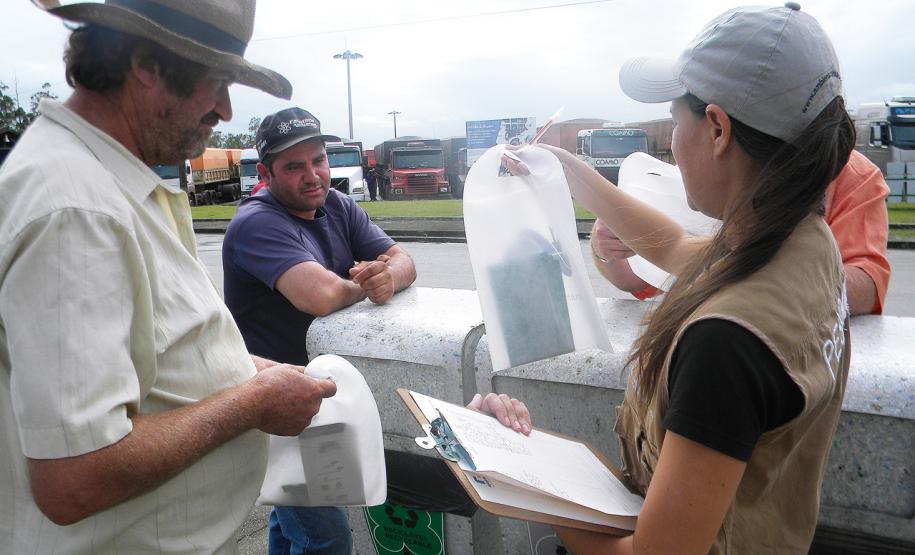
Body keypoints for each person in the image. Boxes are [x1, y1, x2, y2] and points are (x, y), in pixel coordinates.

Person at [503, 3, 854, 553]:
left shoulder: (726, 341)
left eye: (674, 119)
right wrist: (566, 170)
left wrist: (532, 483)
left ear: (717, 128)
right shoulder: (805, 242)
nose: (670, 141)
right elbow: (672, 247)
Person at [0, 1, 340, 553]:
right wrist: (253, 402)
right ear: (145, 64)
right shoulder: (77, 208)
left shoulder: (107, 180)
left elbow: (151, 356)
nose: (225, 109)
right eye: (217, 81)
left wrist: (247, 371)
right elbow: (74, 476)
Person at [222, 107, 531, 554]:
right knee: (325, 535)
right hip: (282, 403)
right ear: (266, 175)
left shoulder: (337, 205)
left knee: (291, 514)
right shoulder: (256, 222)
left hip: (322, 398)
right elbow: (321, 296)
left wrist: (387, 277)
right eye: (294, 167)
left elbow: (403, 260)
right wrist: (367, 285)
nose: (312, 175)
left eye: (318, 160)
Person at [592, 149, 891, 315]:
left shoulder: (853, 175)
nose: (674, 145)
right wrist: (604, 249)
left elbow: (866, 286)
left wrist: (738, 271)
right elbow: (637, 278)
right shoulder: (719, 163)